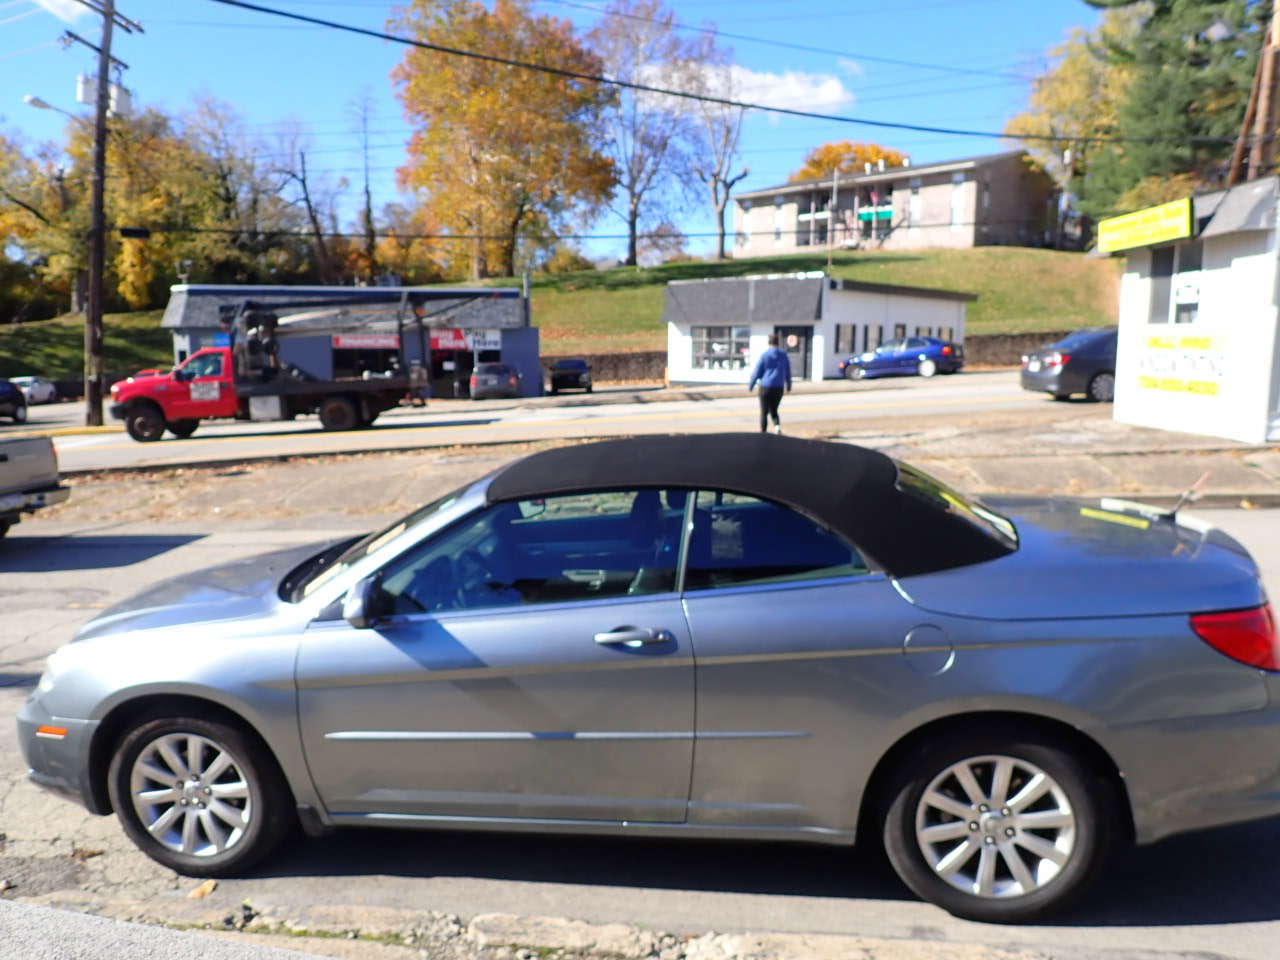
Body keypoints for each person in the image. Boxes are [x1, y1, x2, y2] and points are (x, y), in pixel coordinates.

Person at [748, 334, 791, 433]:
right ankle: (777, 427)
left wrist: (751, 385)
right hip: (779, 387)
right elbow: (788, 372)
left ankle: (763, 433)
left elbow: (757, 372)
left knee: (764, 411)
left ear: (769, 343)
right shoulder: (783, 355)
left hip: (765, 386)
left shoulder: (765, 355)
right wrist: (788, 385)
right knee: (774, 409)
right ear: (778, 343)